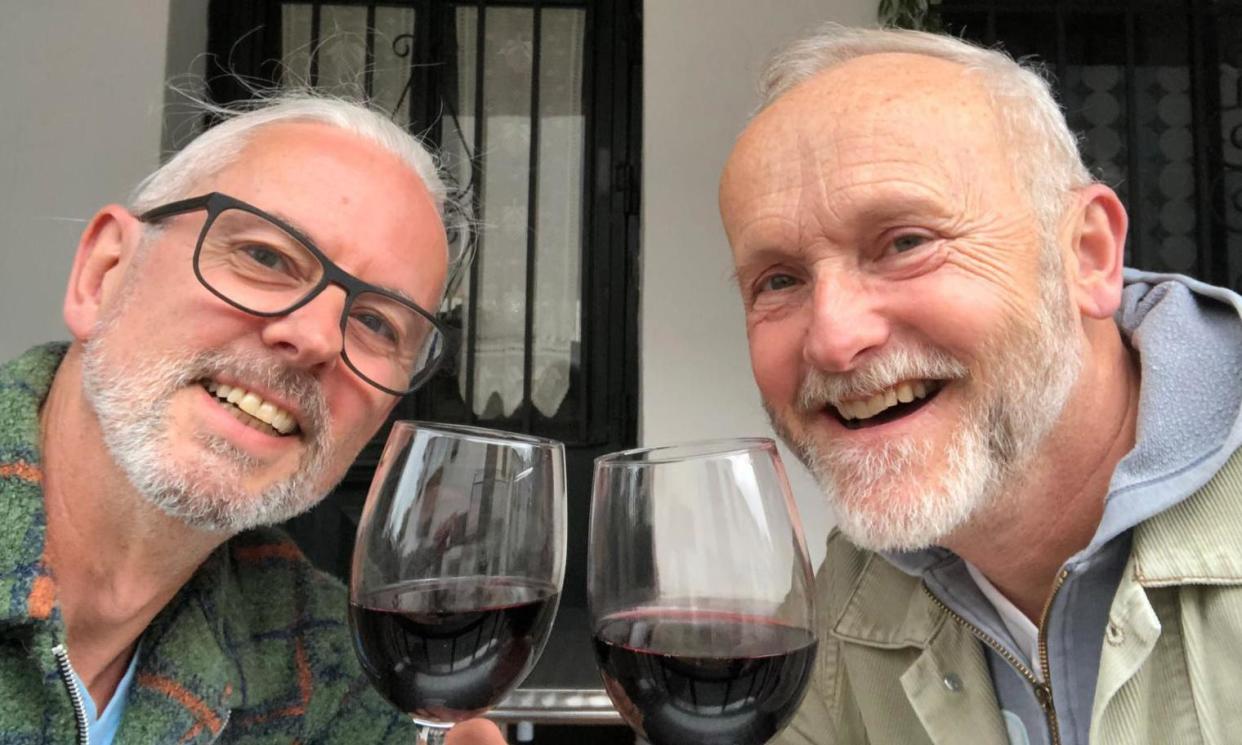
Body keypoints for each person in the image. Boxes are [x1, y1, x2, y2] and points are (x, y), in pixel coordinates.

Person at [719, 25, 1242, 745]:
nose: (834, 339)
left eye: (906, 242)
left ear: (1087, 255)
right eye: (778, 280)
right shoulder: (846, 594)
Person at [0, 93, 505, 743]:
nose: (317, 337)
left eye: (379, 323)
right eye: (266, 257)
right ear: (103, 273)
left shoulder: (333, 664)